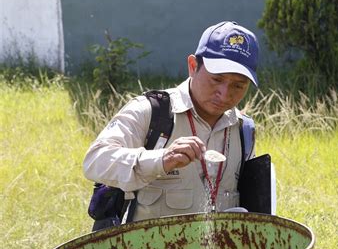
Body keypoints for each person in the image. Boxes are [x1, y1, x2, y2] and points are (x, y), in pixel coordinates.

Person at [83, 21, 259, 222]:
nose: (225, 94)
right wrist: (161, 159)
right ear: (193, 66)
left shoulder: (243, 130)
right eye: (216, 79)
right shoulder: (152, 112)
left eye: (238, 85)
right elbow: (95, 161)